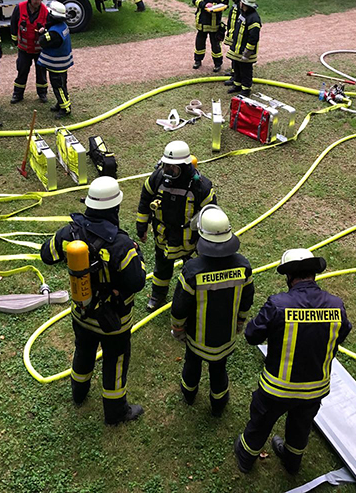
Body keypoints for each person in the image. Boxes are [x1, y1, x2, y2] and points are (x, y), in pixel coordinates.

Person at [39, 176, 147, 425]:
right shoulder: (121, 245)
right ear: (115, 208)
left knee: (84, 351)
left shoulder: (71, 233)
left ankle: (78, 393)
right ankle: (116, 412)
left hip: (82, 313)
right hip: (114, 321)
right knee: (115, 362)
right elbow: (137, 282)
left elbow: (47, 254)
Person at [234, 249, 352, 475]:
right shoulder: (336, 305)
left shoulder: (278, 304)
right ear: (314, 274)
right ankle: (292, 462)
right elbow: (342, 333)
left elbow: (252, 336)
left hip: (277, 388)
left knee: (261, 423)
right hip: (315, 388)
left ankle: (246, 456)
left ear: (289, 276)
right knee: (301, 427)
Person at [170, 206, 254, 416]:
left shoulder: (192, 271)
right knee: (219, 371)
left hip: (197, 340)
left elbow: (180, 307)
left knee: (192, 365)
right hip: (225, 338)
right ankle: (218, 404)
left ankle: (189, 395)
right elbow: (246, 300)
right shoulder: (243, 266)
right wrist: (240, 322)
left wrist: (178, 328)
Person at [136, 140, 217, 311]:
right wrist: (141, 227)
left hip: (190, 241)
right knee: (161, 269)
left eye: (173, 168)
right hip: (163, 237)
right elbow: (145, 201)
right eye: (166, 165)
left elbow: (211, 214)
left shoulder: (201, 186)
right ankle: (158, 294)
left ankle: (192, 297)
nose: (168, 171)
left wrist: (207, 243)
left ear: (185, 166)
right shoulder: (157, 178)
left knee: (193, 270)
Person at [9, 0, 49, 104]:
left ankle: (42, 94)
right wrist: (15, 40)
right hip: (24, 49)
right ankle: (18, 94)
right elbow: (13, 24)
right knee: (22, 71)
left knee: (41, 72)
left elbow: (49, 27)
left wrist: (44, 31)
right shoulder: (19, 8)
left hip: (39, 49)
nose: (37, 1)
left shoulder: (45, 11)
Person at [37, 0, 73, 119]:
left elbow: (43, 42)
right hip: (63, 64)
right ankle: (61, 103)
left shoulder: (54, 33)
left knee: (58, 86)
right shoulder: (62, 26)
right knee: (63, 85)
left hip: (57, 66)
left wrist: (42, 33)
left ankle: (65, 108)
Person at [191, 0, 228, 72]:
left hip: (214, 22)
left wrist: (215, 7)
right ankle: (197, 60)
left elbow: (225, 3)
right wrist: (204, 5)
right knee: (199, 43)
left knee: (215, 44)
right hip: (202, 21)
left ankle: (217, 63)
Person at [225, 0, 261, 97]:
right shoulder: (243, 13)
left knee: (245, 70)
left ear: (244, 4)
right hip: (238, 48)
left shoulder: (254, 19)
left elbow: (253, 38)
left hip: (245, 51)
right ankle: (237, 85)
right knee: (237, 67)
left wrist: (247, 53)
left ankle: (245, 89)